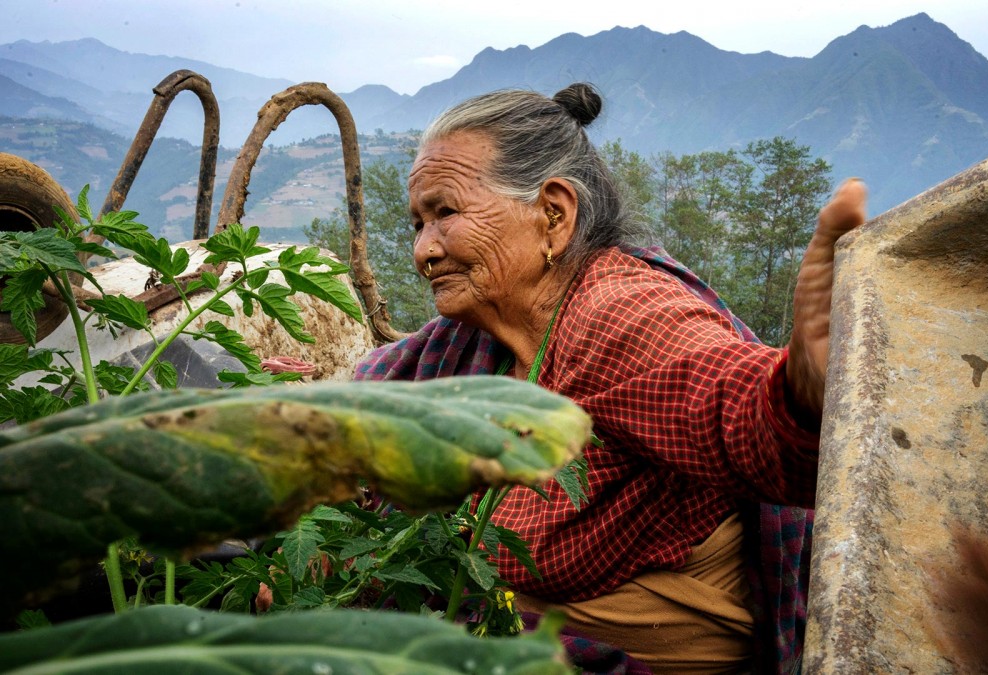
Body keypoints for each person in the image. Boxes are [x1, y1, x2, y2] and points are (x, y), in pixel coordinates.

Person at [355, 82, 866, 674]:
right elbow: (366, 401)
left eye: (446, 213)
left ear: (553, 214)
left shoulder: (615, 312)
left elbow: (736, 405)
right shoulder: (481, 335)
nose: (424, 251)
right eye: (419, 223)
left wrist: (801, 389)